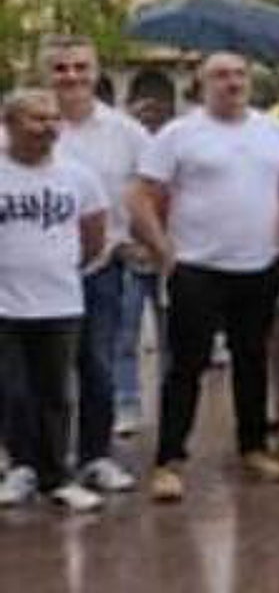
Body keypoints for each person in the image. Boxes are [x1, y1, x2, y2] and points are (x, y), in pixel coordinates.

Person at [129, 52, 279, 502]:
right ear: (202, 84)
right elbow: (142, 197)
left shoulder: (273, 129)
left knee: (251, 360)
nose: (233, 82)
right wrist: (165, 252)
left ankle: (254, 447)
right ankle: (169, 461)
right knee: (186, 366)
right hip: (197, 268)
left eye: (241, 73)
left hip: (259, 265)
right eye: (222, 75)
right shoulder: (179, 134)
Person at [41, 37, 148, 492]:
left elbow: (147, 190)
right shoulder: (22, 128)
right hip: (35, 273)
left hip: (101, 268)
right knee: (34, 372)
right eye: (61, 68)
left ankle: (95, 456)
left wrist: (141, 242)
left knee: (98, 366)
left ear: (96, 71)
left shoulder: (126, 132)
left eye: (80, 67)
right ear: (47, 74)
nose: (72, 76)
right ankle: (37, 460)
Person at [0, 89, 107, 512]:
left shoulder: (78, 176)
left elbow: (94, 233)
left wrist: (66, 266)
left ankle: (57, 475)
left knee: (56, 392)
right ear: (9, 124)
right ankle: (21, 467)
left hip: (61, 300)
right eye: (36, 119)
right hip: (5, 304)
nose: (47, 127)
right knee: (12, 390)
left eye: (52, 119)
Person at [113, 96, 172, 437]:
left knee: (170, 340)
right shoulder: (127, 177)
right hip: (132, 260)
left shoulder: (172, 177)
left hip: (167, 262)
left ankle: (170, 403)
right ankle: (126, 403)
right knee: (124, 336)